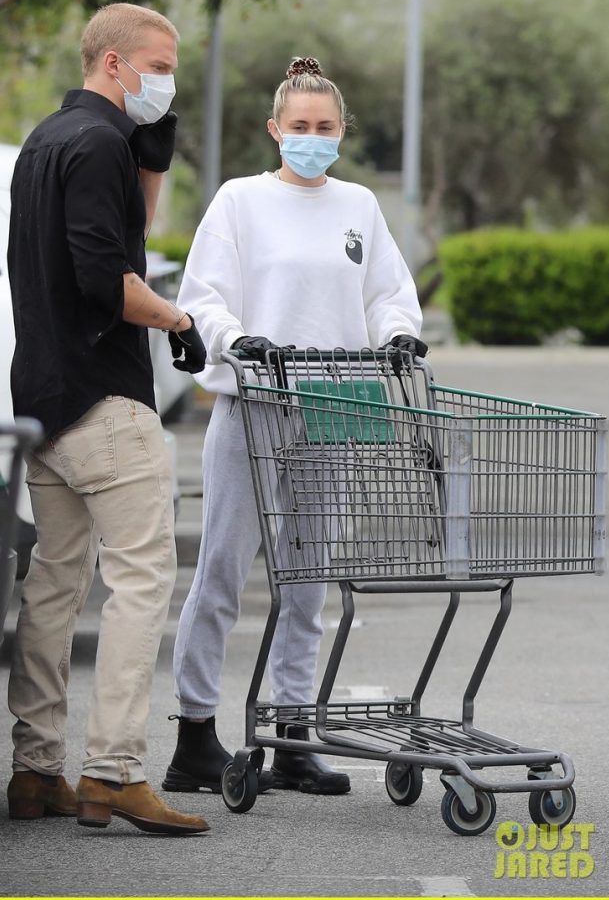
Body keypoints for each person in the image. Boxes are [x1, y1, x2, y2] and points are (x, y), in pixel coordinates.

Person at [162, 56, 426, 797]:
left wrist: (399, 333)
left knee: (309, 577)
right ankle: (193, 732)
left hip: (341, 400)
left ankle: (293, 737)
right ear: (275, 130)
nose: (313, 136)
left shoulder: (359, 205)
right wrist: (232, 337)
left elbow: (386, 291)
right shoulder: (240, 201)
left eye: (325, 126)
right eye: (300, 125)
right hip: (257, 400)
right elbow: (205, 294)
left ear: (342, 131)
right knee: (222, 568)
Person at [6, 2, 209, 836]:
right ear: (113, 62)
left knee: (54, 585)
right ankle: (114, 771)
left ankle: (35, 770)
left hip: (43, 400)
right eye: (157, 66)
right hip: (103, 397)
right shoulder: (95, 145)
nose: (167, 82)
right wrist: (178, 320)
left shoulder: (50, 140)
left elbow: (124, 240)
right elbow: (107, 277)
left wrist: (149, 157)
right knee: (141, 578)